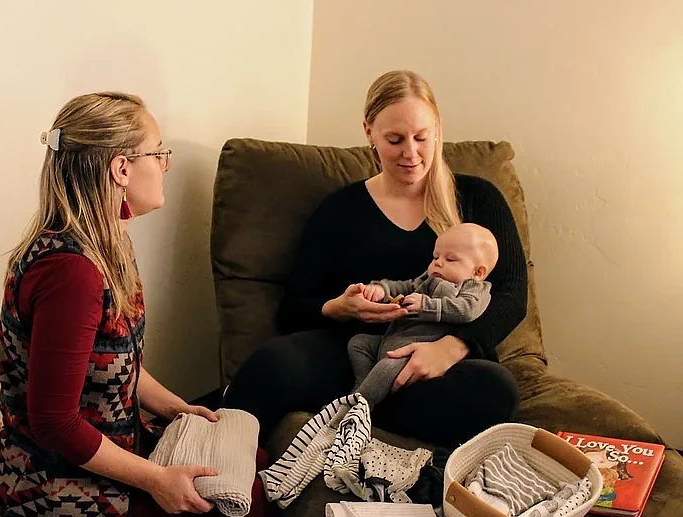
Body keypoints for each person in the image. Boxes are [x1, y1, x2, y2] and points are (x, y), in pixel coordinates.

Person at [0, 92, 274, 517]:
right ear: (121, 169)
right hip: (55, 478)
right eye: (158, 151)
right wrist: (156, 480)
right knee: (254, 497)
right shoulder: (71, 273)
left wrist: (178, 409)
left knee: (252, 460)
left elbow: (118, 364)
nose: (166, 163)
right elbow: (54, 422)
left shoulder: (107, 242)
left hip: (110, 440)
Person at [221, 70, 527, 448]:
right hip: (358, 354)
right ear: (369, 132)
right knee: (270, 365)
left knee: (496, 391)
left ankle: (357, 413)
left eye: (421, 137)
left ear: (438, 129)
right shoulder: (340, 210)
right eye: (395, 139)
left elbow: (512, 293)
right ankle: (216, 457)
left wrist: (450, 348)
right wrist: (340, 308)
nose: (411, 153)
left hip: (444, 358)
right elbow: (295, 308)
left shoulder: (478, 198)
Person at [348, 222, 499, 409]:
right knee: (358, 343)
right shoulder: (429, 279)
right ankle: (363, 385)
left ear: (478, 272)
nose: (438, 262)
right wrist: (380, 289)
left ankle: (359, 406)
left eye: (450, 259)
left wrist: (425, 305)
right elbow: (405, 286)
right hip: (390, 341)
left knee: (386, 367)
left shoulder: (473, 288)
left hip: (412, 352)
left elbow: (466, 310)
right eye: (435, 256)